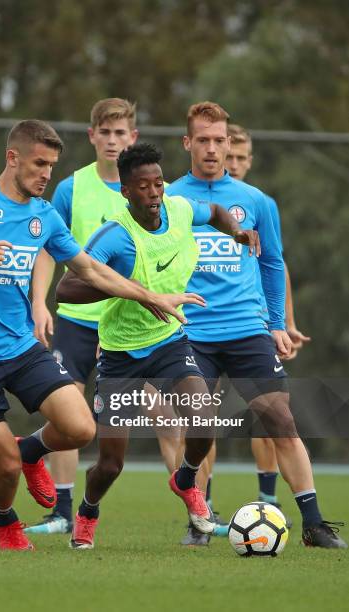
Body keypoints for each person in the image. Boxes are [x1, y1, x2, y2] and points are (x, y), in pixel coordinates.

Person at [0, 120, 206, 551]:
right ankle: (5, 519)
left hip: (20, 347)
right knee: (5, 470)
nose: (47, 173)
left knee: (81, 427)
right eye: (39, 163)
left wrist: (149, 296)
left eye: (52, 165)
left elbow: (88, 269)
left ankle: (31, 452)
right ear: (13, 158)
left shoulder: (44, 215)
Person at [54, 142, 260, 549]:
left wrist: (237, 232)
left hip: (168, 342)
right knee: (111, 465)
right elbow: (67, 288)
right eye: (143, 186)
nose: (154, 192)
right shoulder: (115, 236)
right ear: (126, 192)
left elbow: (216, 212)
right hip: (119, 354)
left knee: (204, 421)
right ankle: (87, 512)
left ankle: (184, 479)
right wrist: (133, 291)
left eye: (158, 183)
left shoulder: (181, 210)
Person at [166, 101, 347, 549]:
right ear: (188, 143)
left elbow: (272, 264)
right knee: (199, 428)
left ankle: (313, 524)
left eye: (219, 140)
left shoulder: (257, 202)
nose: (212, 148)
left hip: (247, 330)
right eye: (203, 140)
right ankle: (200, 521)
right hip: (191, 332)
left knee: (282, 421)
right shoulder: (168, 197)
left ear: (229, 144)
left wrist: (276, 322)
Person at [27, 98, 178, 536]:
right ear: (92, 136)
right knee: (68, 415)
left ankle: (197, 508)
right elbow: (49, 250)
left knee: (167, 414)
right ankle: (62, 511)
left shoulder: (155, 193)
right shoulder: (72, 188)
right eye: (105, 133)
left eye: (121, 133)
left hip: (132, 323)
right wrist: (39, 304)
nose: (112, 140)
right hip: (77, 319)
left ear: (132, 137)